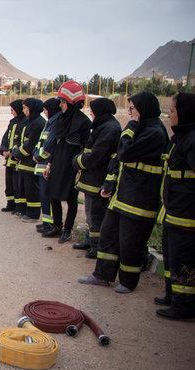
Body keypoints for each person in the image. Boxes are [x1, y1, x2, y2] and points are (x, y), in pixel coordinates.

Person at [79, 92, 168, 293]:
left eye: (132, 109)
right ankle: (102, 275)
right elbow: (118, 160)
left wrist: (132, 126)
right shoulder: (141, 128)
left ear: (143, 110)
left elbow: (125, 152)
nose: (129, 113)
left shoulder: (154, 132)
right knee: (108, 235)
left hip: (139, 199)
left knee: (130, 243)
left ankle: (128, 281)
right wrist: (109, 184)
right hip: (122, 195)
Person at [155, 92, 195, 319]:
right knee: (172, 257)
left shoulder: (192, 140)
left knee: (183, 260)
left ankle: (184, 306)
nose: (169, 115)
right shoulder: (181, 138)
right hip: (175, 212)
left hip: (187, 216)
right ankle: (172, 295)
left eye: (172, 111)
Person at [72, 98, 121, 258]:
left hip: (97, 180)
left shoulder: (109, 128)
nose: (90, 113)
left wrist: (77, 161)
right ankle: (90, 241)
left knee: (96, 215)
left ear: (100, 111)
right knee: (90, 213)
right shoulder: (103, 125)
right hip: (91, 179)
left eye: (92, 110)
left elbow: (96, 156)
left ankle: (96, 247)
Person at [43, 81, 91, 242]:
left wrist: (80, 168)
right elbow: (56, 143)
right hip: (57, 163)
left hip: (72, 166)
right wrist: (49, 164)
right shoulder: (60, 119)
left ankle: (67, 229)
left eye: (63, 102)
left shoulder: (84, 122)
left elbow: (85, 147)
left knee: (71, 199)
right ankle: (57, 227)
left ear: (72, 103)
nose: (61, 105)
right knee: (53, 196)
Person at [12, 98, 46, 221]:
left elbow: (30, 145)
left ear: (32, 108)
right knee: (25, 188)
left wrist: (17, 153)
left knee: (32, 189)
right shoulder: (32, 121)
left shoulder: (37, 123)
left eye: (25, 107)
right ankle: (26, 210)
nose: (23, 110)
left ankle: (33, 214)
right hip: (25, 161)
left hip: (31, 162)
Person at [33, 98, 61, 234]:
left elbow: (49, 146)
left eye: (46, 110)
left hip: (46, 167)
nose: (44, 112)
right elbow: (40, 143)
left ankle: (49, 225)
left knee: (47, 197)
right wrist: (35, 153)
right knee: (44, 197)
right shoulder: (50, 122)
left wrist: (37, 156)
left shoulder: (55, 123)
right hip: (42, 166)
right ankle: (46, 223)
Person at [0, 99, 25, 212]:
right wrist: (3, 150)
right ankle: (10, 204)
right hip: (9, 159)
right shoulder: (12, 122)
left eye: (13, 110)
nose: (11, 112)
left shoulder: (25, 122)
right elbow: (6, 138)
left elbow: (21, 141)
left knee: (17, 184)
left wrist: (12, 151)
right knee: (9, 183)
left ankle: (19, 207)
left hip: (17, 159)